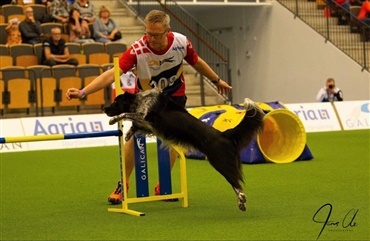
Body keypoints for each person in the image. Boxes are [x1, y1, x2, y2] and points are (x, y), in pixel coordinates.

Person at [66, 9, 232, 204]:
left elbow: (196, 62)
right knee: (133, 136)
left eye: (155, 35)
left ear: (167, 31)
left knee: (175, 140)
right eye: (147, 33)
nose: (150, 39)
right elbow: (111, 75)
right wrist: (83, 92)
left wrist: (217, 79)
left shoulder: (180, 42)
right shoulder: (138, 49)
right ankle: (123, 184)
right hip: (145, 101)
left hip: (173, 98)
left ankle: (164, 185)